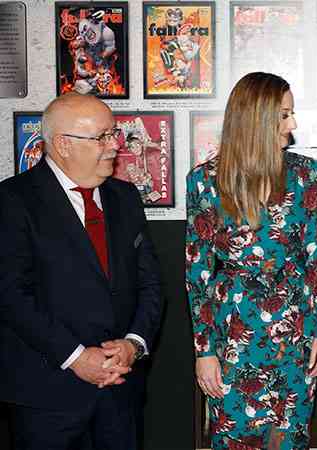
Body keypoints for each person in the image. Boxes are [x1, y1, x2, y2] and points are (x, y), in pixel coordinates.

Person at [0, 92, 162, 449]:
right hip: (47, 396)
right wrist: (76, 357)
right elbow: (10, 295)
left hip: (121, 391)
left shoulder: (126, 197)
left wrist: (133, 344)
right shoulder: (13, 201)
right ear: (63, 144)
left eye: (114, 133)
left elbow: (151, 283)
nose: (115, 145)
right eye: (102, 136)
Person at [185, 72, 317, 450]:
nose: (293, 124)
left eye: (292, 113)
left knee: (289, 441)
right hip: (232, 335)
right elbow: (198, 273)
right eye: (284, 115)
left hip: (296, 335)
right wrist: (204, 352)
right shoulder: (204, 181)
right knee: (234, 440)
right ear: (257, 118)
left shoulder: (306, 173)